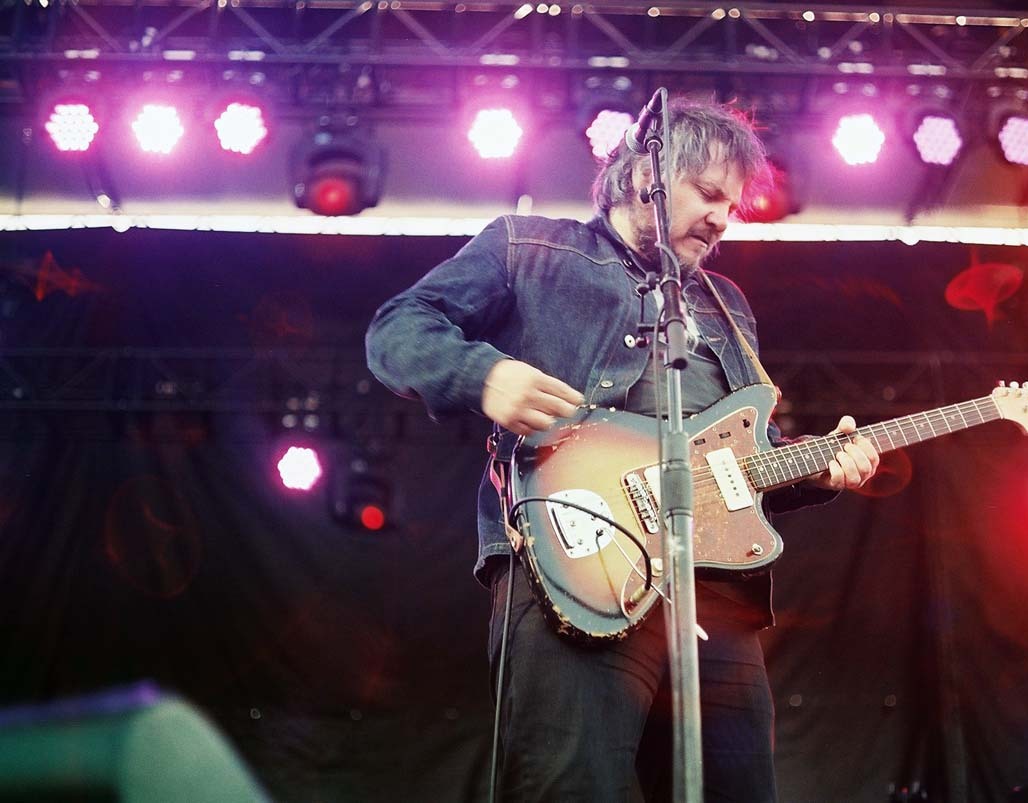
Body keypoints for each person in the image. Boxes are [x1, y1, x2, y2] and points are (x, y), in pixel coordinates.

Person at [366, 97, 879, 801]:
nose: (724, 218)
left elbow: (740, 463)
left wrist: (817, 467)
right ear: (647, 173)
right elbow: (397, 329)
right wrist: (484, 374)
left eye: (733, 204)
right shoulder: (528, 247)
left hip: (712, 596)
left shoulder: (726, 304)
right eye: (708, 193)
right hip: (571, 567)